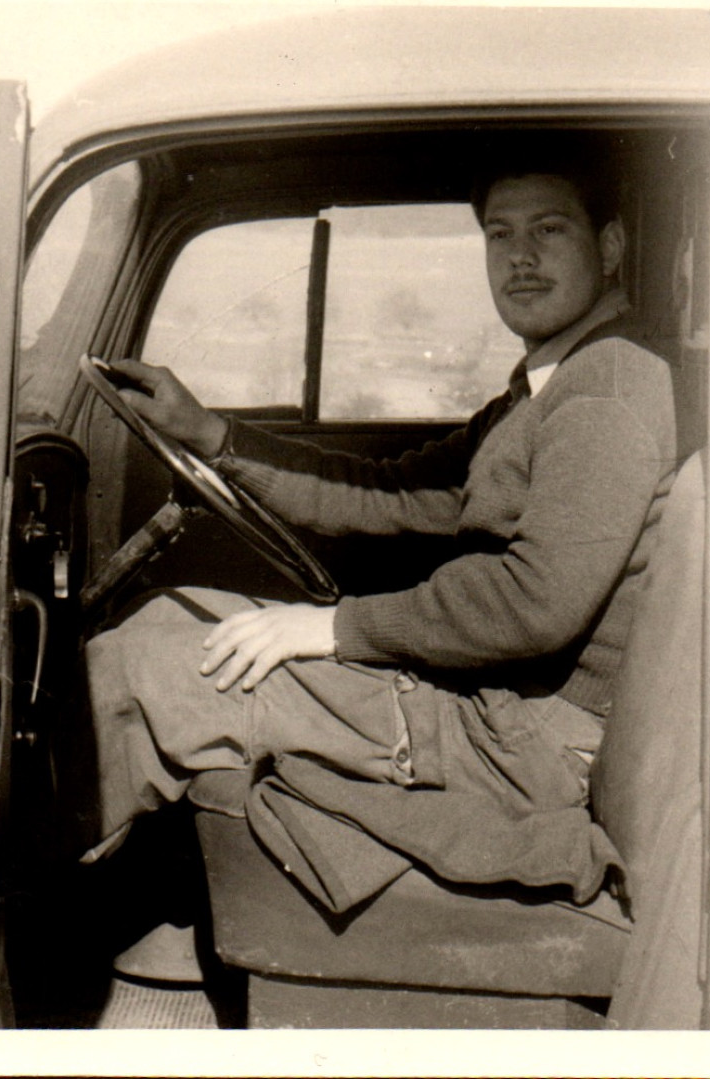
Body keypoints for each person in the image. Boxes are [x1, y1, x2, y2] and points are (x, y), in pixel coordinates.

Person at [84, 145, 678, 921]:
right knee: (173, 615)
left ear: (609, 246)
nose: (519, 258)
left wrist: (333, 628)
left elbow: (535, 600)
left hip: (519, 743)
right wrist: (209, 433)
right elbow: (391, 493)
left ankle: (43, 926)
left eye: (548, 230)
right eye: (499, 235)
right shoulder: (545, 388)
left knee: (146, 664)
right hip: (496, 712)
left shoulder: (606, 387)